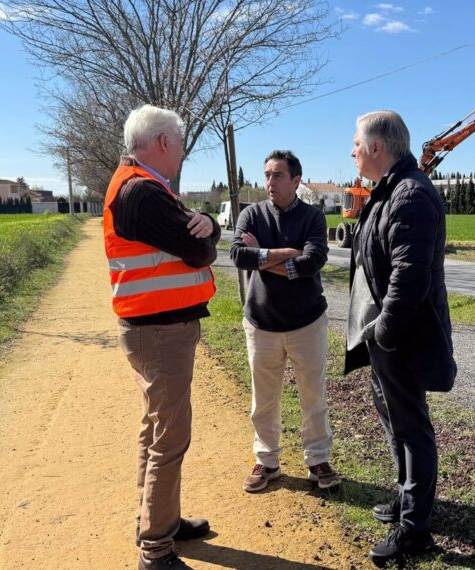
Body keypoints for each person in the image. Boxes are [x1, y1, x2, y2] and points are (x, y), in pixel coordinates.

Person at [104, 104, 221, 570]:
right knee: (169, 438)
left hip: (151, 328)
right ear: (164, 143)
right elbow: (197, 250)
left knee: (156, 429)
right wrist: (207, 234)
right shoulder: (143, 193)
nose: (183, 149)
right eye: (181, 140)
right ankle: (155, 549)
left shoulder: (143, 187)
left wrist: (208, 225)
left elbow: (200, 233)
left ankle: (157, 523)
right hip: (160, 331)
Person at [344, 111, 456, 567]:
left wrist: (384, 334)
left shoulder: (409, 194)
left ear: (376, 147)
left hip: (401, 338)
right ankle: (407, 502)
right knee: (396, 422)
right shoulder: (392, 188)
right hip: (385, 335)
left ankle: (414, 531)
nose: (351, 151)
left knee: (412, 429)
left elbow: (409, 276)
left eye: (355, 143)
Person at [229, 150, 340, 493]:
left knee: (313, 395)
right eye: (266, 175)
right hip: (262, 324)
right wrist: (285, 254)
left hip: (306, 323)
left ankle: (317, 459)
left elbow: (313, 261)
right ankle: (267, 461)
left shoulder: (313, 217)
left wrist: (261, 255)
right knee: (263, 399)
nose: (269, 182)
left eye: (277, 175)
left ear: (296, 180)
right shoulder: (251, 214)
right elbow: (237, 255)